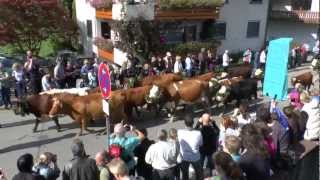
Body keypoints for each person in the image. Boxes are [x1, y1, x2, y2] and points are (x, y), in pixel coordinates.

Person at [178, 115, 203, 180]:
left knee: (184, 174)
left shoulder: (179, 132)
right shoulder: (198, 133)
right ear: (193, 123)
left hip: (184, 156)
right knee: (199, 173)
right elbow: (201, 144)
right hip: (195, 157)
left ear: (184, 123)